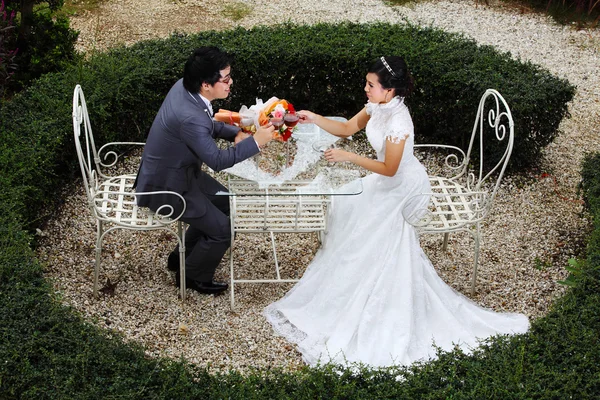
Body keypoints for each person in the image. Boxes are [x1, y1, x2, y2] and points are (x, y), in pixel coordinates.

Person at [264, 56, 529, 367]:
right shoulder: (378, 106)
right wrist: (314, 117)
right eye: (367, 83)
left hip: (404, 186)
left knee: (367, 228)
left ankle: (366, 293)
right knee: (348, 204)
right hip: (388, 180)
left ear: (389, 91)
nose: (365, 89)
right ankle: (345, 283)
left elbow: (390, 169)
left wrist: (349, 157)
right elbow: (348, 127)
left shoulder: (399, 121)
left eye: (371, 85)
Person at [135, 46, 274, 295]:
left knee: (226, 203)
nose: (231, 83)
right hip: (167, 186)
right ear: (205, 84)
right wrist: (257, 142)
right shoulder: (190, 116)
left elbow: (204, 127)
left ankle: (181, 259)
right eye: (226, 79)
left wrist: (236, 133)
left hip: (180, 171)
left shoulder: (184, 88)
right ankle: (191, 277)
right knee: (223, 230)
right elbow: (217, 160)